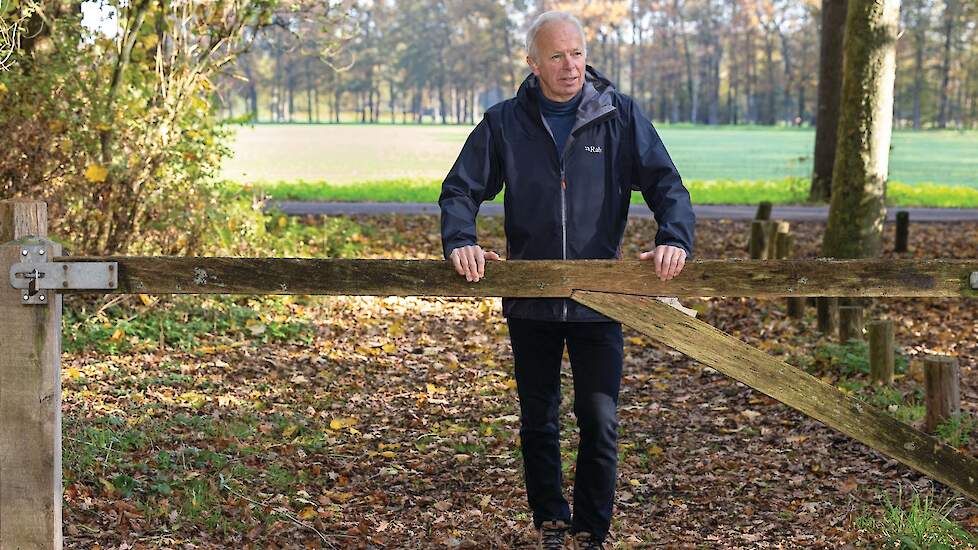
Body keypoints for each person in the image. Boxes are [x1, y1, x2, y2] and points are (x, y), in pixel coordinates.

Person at [438, 10, 695, 549]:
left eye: (576, 53)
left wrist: (675, 237)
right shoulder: (504, 121)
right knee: (538, 418)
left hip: (602, 300)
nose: (570, 65)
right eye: (556, 56)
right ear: (533, 64)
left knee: (599, 420)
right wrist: (460, 238)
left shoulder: (619, 115)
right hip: (530, 300)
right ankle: (551, 518)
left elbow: (666, 182)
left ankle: (592, 529)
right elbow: (460, 189)